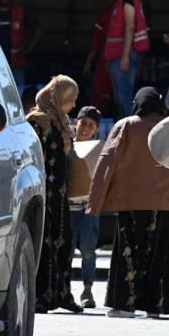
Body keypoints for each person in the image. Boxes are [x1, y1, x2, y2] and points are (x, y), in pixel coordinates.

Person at [87, 87, 169, 318]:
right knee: (159, 255)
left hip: (129, 203)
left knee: (127, 254)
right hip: (164, 205)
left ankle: (124, 305)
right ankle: (155, 307)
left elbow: (105, 164)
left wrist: (94, 203)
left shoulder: (125, 126)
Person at [27, 75, 83, 314]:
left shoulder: (62, 122)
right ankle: (42, 297)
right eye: (70, 100)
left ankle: (63, 295)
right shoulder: (36, 122)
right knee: (44, 243)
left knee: (63, 241)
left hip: (59, 197)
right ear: (56, 98)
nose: (72, 105)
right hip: (42, 195)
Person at [103, 0, 150, 118]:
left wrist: (125, 57)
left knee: (125, 99)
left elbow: (130, 26)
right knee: (119, 98)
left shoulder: (128, 0)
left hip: (122, 55)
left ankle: (131, 130)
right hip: (116, 55)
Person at [69, 106, 102, 309]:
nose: (85, 128)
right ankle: (65, 290)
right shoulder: (67, 146)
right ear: (75, 123)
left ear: (96, 129)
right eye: (82, 123)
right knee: (67, 250)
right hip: (69, 207)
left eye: (90, 125)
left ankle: (87, 290)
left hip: (89, 208)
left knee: (88, 249)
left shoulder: (98, 151)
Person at [83, 4, 115, 115]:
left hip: (124, 62)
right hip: (104, 61)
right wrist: (89, 60)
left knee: (121, 98)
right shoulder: (105, 13)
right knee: (99, 93)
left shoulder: (132, 11)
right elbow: (96, 40)